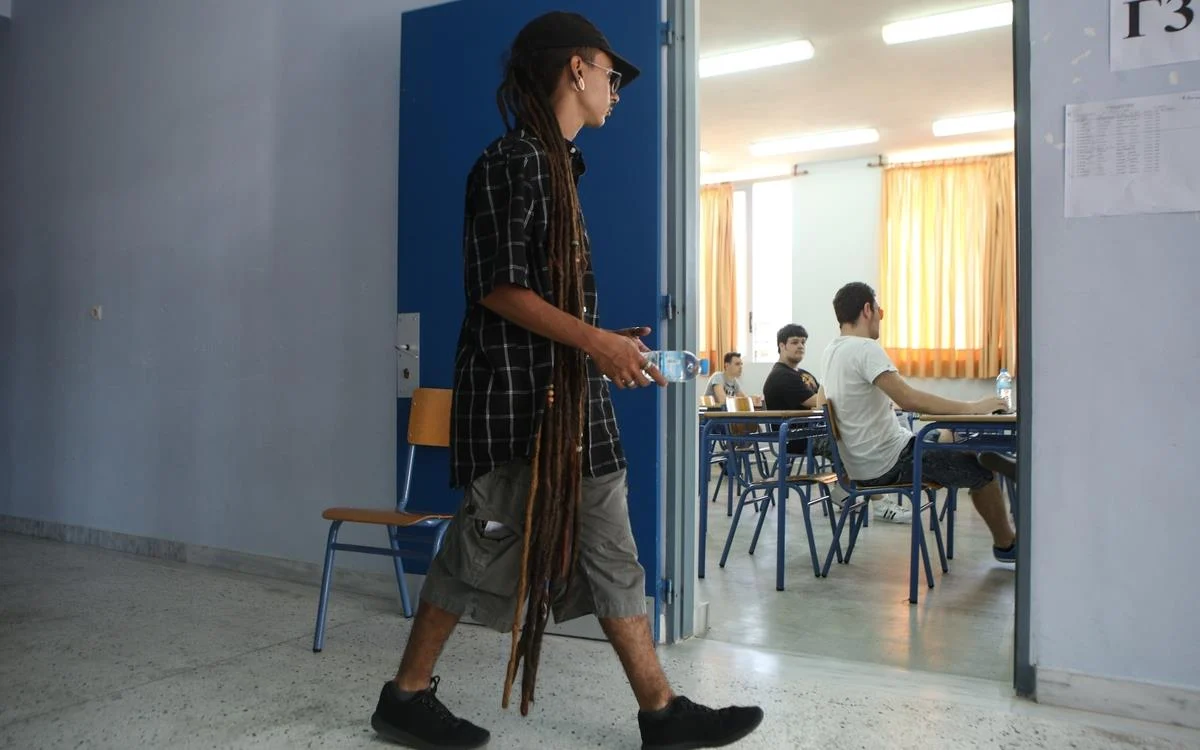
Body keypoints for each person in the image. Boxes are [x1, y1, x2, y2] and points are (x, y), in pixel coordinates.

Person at [367, 12, 763, 750]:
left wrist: (608, 344)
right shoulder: (511, 161)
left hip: (574, 400)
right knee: (481, 547)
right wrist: (597, 341)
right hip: (519, 401)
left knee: (611, 549)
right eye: (611, 74)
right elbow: (498, 289)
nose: (617, 89)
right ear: (577, 69)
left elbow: (548, 300)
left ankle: (661, 712)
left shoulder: (558, 167)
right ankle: (405, 696)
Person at [820, 282, 1017, 559]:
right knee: (981, 474)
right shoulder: (865, 348)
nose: (880, 318)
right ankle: (1006, 545)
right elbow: (908, 399)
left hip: (864, 463)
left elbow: (822, 402)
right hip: (890, 463)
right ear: (867, 310)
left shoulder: (830, 352)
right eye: (880, 311)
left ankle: (978, 451)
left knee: (948, 432)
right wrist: (973, 407)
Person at [761, 324, 829, 461]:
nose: (801, 346)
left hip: (813, 431)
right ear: (782, 346)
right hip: (796, 438)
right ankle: (845, 475)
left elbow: (824, 397)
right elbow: (820, 401)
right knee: (844, 443)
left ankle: (843, 474)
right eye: (794, 342)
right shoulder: (781, 375)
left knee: (848, 437)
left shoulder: (803, 374)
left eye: (803, 342)